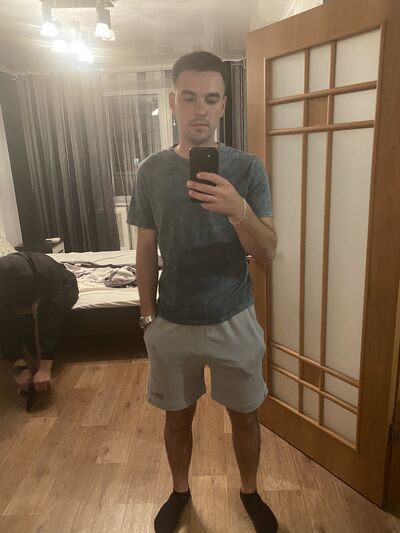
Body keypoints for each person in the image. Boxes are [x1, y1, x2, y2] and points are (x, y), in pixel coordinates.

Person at [128, 51, 278, 533]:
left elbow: (267, 251)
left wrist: (237, 209)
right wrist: (147, 317)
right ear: (173, 102)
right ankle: (180, 491)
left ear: (223, 105)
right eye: (189, 98)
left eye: (211, 99)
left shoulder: (248, 169)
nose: (200, 109)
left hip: (235, 316)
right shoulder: (151, 171)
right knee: (176, 418)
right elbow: (145, 248)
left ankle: (250, 491)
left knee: (246, 418)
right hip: (172, 320)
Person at [0, 251, 78, 398]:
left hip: (64, 284)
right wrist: (19, 365)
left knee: (44, 308)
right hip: (29, 286)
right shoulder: (3, 275)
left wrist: (44, 367)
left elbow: (50, 315)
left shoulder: (47, 273)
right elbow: (4, 318)